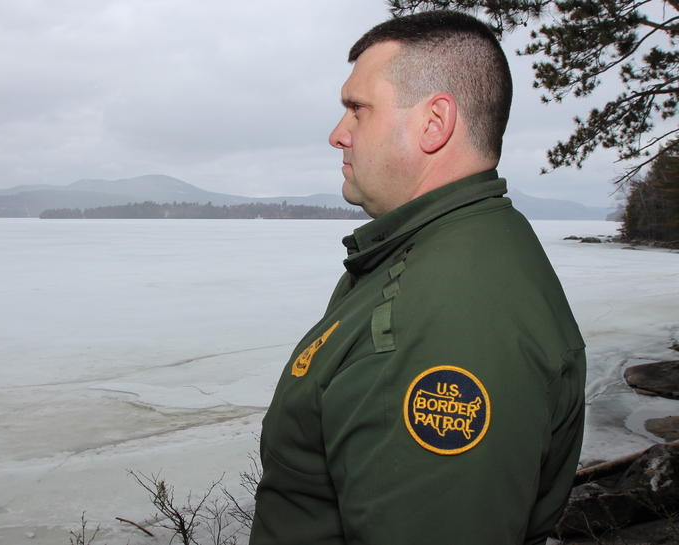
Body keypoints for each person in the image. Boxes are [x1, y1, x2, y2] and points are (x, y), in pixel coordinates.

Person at [249, 10, 586, 545]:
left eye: (358, 110)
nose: (338, 135)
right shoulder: (450, 249)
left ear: (434, 122)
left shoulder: (447, 317)